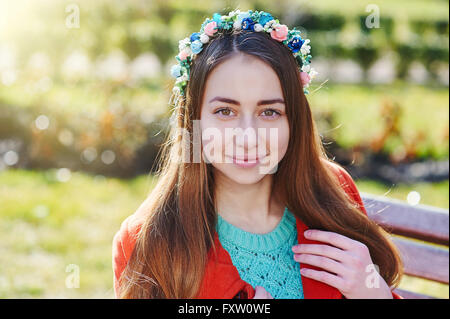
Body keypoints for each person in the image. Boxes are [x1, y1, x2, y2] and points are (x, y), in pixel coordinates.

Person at [112, 9, 404, 299]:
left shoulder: (330, 191)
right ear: (194, 119)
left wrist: (373, 293)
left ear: (293, 121)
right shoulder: (147, 241)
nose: (248, 137)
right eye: (225, 111)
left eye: (269, 112)